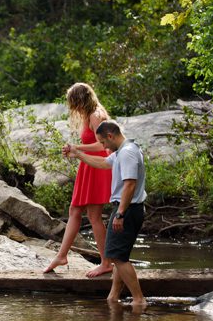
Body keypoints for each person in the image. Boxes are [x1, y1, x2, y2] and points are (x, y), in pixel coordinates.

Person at [68, 119, 148, 308]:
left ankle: (139, 299)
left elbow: (130, 184)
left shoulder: (127, 153)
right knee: (118, 255)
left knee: (117, 257)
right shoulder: (123, 150)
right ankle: (113, 296)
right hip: (129, 208)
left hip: (126, 209)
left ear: (110, 136)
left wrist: (120, 214)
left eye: (103, 142)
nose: (103, 146)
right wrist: (78, 154)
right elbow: (103, 163)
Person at [43, 83, 113, 277]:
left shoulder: (95, 115)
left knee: (94, 217)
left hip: (97, 167)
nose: (73, 107)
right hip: (87, 166)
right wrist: (76, 149)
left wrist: (77, 149)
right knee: (75, 210)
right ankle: (62, 255)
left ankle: (106, 262)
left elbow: (104, 145)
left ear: (81, 100)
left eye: (74, 102)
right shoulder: (87, 113)